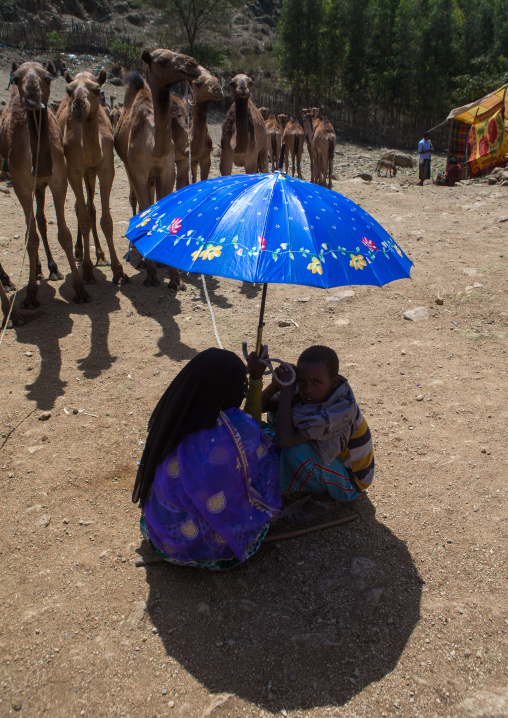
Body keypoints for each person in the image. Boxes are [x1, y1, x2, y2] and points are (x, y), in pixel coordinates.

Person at [133, 348, 281, 570]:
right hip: (210, 550)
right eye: (241, 386)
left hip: (162, 537)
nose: (242, 393)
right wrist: (260, 381)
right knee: (269, 445)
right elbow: (251, 427)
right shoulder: (234, 429)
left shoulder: (176, 414)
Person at [262, 345, 374, 523]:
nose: (307, 389)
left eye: (316, 383)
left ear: (334, 381)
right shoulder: (313, 391)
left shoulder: (337, 412)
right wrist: (275, 386)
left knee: (294, 450)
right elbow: (262, 406)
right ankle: (292, 471)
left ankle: (325, 498)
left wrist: (286, 390)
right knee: (278, 412)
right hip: (332, 462)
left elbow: (285, 440)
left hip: (351, 483)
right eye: (301, 382)